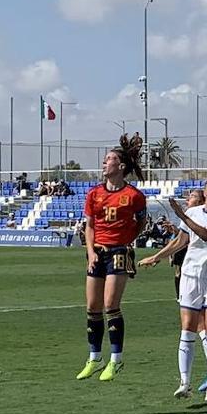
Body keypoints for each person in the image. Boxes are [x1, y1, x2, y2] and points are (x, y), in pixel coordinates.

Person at [143, 178, 207, 402]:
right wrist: (157, 257)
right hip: (190, 276)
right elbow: (180, 241)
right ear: (204, 192)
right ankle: (184, 383)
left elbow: (206, 234)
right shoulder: (193, 212)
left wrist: (182, 216)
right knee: (187, 330)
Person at [75, 134, 149, 382]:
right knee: (92, 306)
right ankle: (94, 357)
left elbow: (141, 222)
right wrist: (90, 252)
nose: (104, 163)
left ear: (121, 165)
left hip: (118, 252)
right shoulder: (94, 193)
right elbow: (90, 226)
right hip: (97, 252)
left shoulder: (134, 195)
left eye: (109, 159)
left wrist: (127, 240)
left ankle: (116, 360)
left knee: (110, 304)